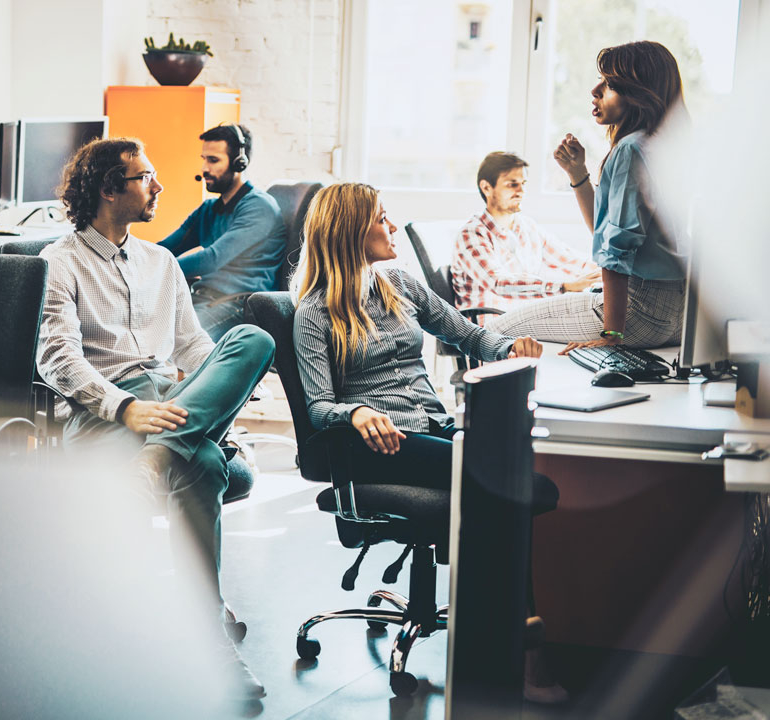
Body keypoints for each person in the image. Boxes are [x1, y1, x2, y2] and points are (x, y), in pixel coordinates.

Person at [292, 182, 566, 702]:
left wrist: (511, 345)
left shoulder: (399, 283)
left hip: (436, 428)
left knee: (523, 485)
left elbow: (470, 335)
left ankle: (506, 640)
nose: (392, 226)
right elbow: (319, 405)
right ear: (351, 231)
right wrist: (358, 411)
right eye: (381, 218)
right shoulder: (314, 313)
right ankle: (523, 651)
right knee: (515, 485)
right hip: (383, 446)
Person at [37, 137, 275, 700]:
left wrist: (212, 406)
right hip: (105, 414)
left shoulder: (160, 261)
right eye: (144, 177)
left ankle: (155, 461)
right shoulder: (60, 262)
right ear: (107, 189)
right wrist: (126, 407)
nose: (159, 187)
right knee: (210, 464)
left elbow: (194, 349)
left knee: (252, 337)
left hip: (171, 403)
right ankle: (209, 641)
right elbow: (56, 358)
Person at [487, 41, 689, 352]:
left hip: (640, 314)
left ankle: (476, 400)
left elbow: (615, 250)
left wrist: (613, 335)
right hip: (679, 315)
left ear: (638, 94)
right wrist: (577, 174)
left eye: (609, 84)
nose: (595, 91)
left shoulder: (630, 149)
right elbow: (606, 228)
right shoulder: (668, 146)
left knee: (494, 330)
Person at [159, 123, 287, 340]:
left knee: (173, 346)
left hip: (237, 307)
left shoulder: (259, 207)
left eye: (213, 160)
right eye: (204, 159)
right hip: (203, 299)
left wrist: (154, 270)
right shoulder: (209, 209)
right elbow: (166, 248)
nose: (204, 169)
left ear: (239, 162)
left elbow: (211, 259)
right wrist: (133, 259)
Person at [452, 151, 600, 312]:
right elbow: (499, 283)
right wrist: (565, 286)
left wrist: (606, 271)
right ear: (486, 187)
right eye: (512, 184)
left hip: (521, 320)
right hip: (488, 326)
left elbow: (569, 260)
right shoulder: (473, 233)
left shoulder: (526, 227)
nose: (521, 191)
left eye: (523, 183)